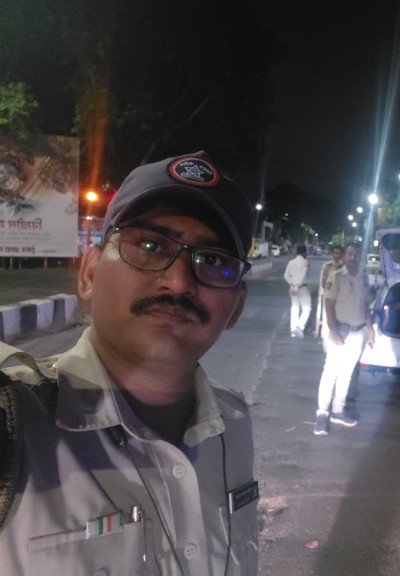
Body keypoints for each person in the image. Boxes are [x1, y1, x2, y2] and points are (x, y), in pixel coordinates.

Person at [0, 151, 260, 575]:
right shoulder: (16, 421)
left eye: (212, 261)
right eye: (151, 245)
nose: (178, 282)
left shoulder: (234, 424)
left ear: (236, 308)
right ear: (89, 273)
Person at [314, 242, 374, 436]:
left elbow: (366, 306)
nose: (353, 257)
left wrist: (370, 329)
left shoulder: (364, 278)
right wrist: (333, 331)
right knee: (330, 372)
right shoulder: (337, 276)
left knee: (346, 374)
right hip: (340, 331)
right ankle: (322, 414)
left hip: (357, 333)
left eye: (356, 254)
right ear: (345, 256)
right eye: (349, 254)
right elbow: (328, 305)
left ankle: (338, 411)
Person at [314, 244, 344, 338]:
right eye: (335, 253)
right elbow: (324, 283)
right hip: (330, 296)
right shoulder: (327, 266)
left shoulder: (345, 267)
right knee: (328, 318)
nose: (337, 255)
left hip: (342, 298)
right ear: (332, 254)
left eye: (339, 253)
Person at [284, 244, 311, 338]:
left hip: (292, 287)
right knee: (307, 308)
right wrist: (297, 286)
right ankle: (299, 327)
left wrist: (292, 284)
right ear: (304, 252)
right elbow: (303, 275)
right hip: (302, 287)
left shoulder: (291, 262)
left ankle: (293, 330)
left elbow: (286, 276)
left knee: (295, 307)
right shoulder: (305, 262)